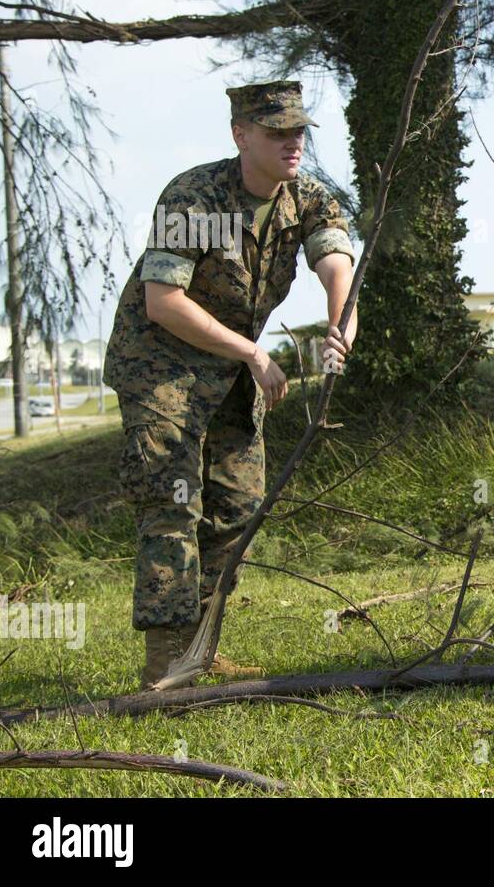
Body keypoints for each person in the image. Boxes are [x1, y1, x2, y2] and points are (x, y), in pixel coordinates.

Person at [104, 80, 358, 689]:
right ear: (241, 135)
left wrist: (340, 323)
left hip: (231, 371)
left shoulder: (310, 199)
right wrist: (252, 352)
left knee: (239, 508)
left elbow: (336, 262)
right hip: (159, 363)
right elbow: (163, 303)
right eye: (277, 133)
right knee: (173, 499)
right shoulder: (195, 198)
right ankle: (167, 662)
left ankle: (202, 647)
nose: (293, 143)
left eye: (299, 131)